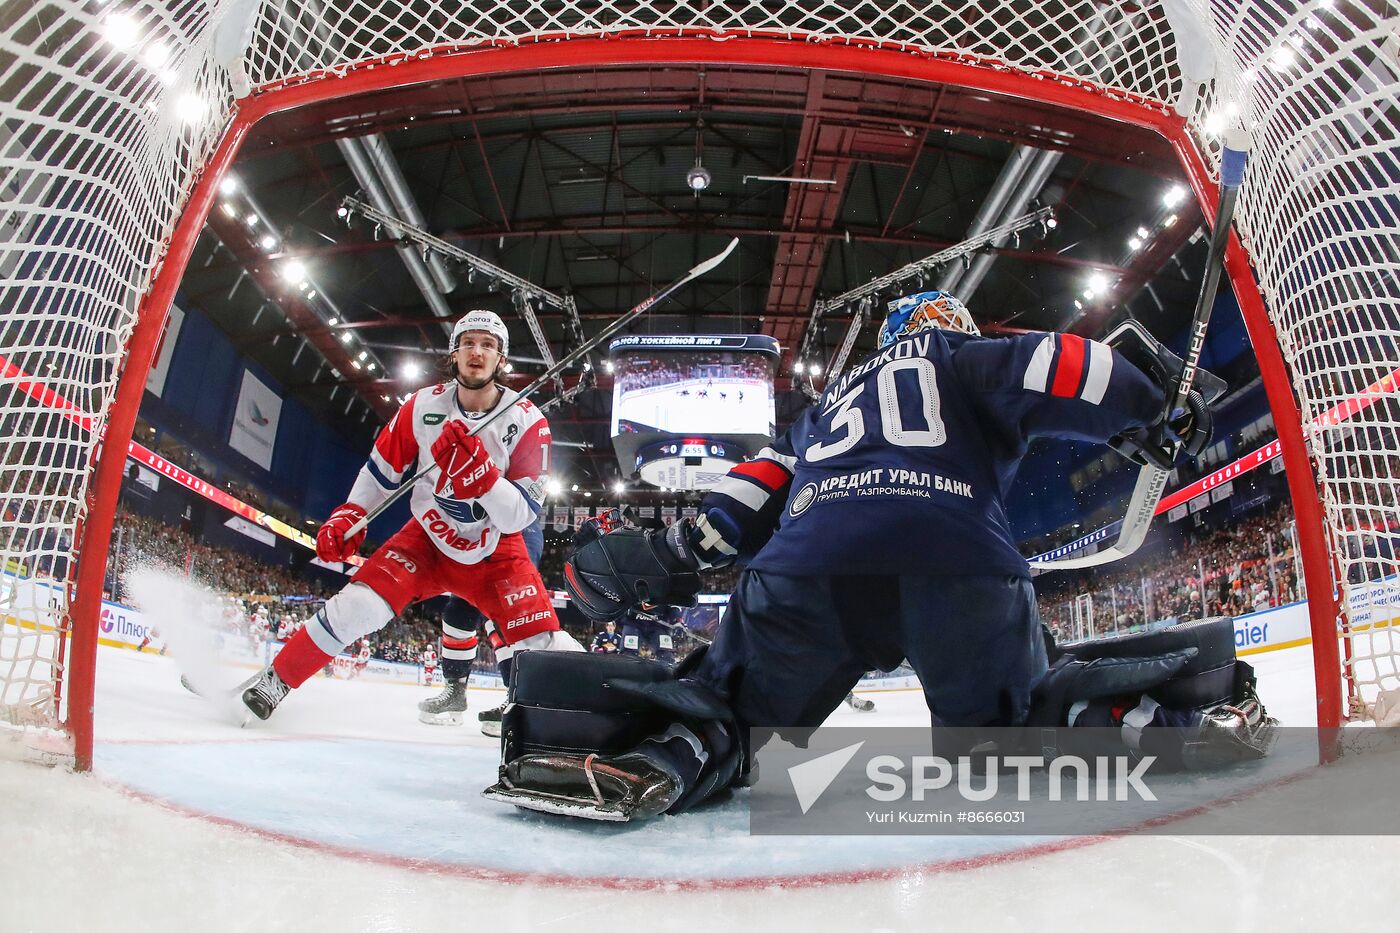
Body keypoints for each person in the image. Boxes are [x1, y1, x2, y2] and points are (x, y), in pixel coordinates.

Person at [495, 291, 1273, 821]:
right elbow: (1057, 365)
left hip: (808, 569)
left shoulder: (825, 406)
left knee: (735, 717)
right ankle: (1168, 720)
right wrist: (1151, 409)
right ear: (948, 326)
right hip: (956, 556)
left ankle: (663, 754)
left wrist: (673, 548)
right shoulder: (966, 359)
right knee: (1006, 736)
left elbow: (740, 506)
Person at [229, 309, 583, 723]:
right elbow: (380, 473)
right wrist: (350, 515)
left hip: (495, 554)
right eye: (468, 342)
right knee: (358, 605)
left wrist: (483, 479)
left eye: (488, 345)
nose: (477, 352)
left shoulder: (527, 420)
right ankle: (276, 680)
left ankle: (595, 709)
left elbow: (519, 516)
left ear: (500, 359)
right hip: (427, 539)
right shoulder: (421, 406)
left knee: (542, 643)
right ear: (453, 354)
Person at [417, 513, 545, 732]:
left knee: (505, 611)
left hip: (517, 531)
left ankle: (517, 700)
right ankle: (455, 691)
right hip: (478, 533)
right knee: (457, 614)